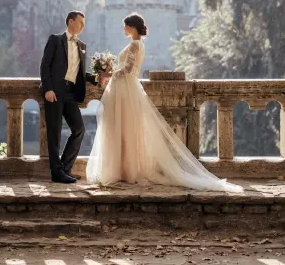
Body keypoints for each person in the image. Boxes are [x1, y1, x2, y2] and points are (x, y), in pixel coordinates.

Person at [86, 13, 243, 193]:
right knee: (126, 129)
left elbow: (128, 70)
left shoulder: (135, 45)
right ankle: (125, 169)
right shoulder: (138, 45)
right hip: (127, 89)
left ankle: (127, 170)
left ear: (132, 27)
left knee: (125, 129)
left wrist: (108, 75)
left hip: (126, 90)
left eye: (125, 26)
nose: (123, 29)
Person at [40, 11, 98, 184]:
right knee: (54, 132)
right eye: (80, 22)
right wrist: (48, 89)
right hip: (55, 92)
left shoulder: (82, 45)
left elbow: (80, 72)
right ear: (71, 21)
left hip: (71, 93)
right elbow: (45, 65)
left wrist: (96, 78)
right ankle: (56, 173)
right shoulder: (55, 40)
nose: (83, 26)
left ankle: (64, 169)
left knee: (79, 129)